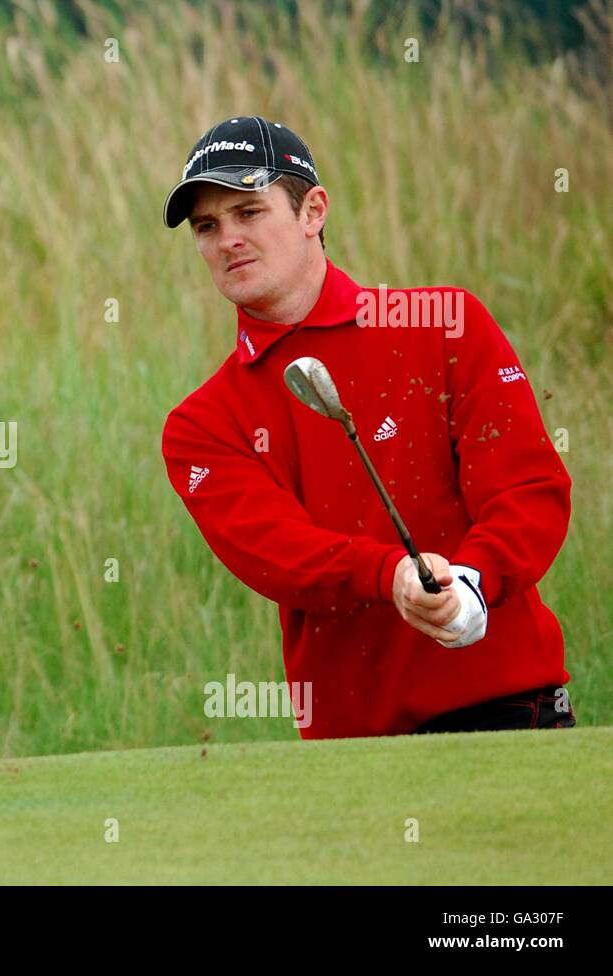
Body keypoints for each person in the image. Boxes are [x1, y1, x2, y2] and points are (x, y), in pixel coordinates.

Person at [159, 116, 575, 738]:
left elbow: (528, 490)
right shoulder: (201, 424)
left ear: (313, 211)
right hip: (355, 748)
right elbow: (281, 555)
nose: (228, 241)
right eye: (207, 226)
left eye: (249, 212)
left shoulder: (444, 325)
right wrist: (393, 575)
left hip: (511, 708)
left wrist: (473, 581)